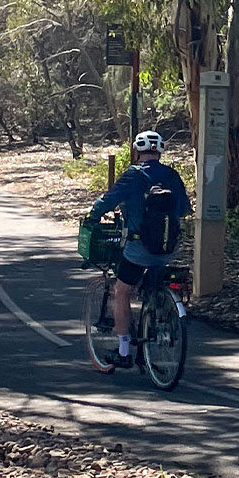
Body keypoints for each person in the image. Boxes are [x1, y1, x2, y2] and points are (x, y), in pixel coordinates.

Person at [84, 130, 191, 368]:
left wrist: (92, 218)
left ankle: (123, 351)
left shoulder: (132, 176)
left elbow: (106, 201)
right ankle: (159, 312)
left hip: (139, 248)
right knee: (156, 277)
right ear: (160, 151)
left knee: (122, 291)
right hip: (169, 246)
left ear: (136, 151)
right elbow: (184, 209)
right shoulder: (172, 175)